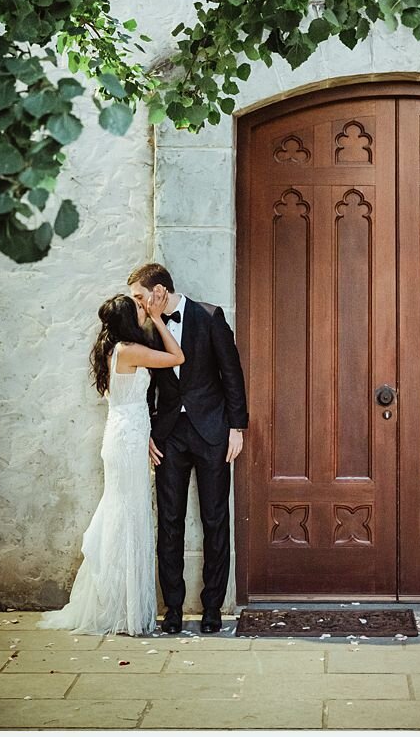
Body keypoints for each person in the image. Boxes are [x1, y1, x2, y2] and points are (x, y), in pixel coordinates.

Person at [41, 294, 184, 636]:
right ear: (127, 318)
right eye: (138, 308)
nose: (143, 310)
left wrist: (145, 433)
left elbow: (127, 402)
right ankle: (122, 608)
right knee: (127, 514)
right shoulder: (129, 350)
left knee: (123, 512)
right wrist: (159, 318)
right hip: (126, 438)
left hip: (125, 434)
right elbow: (177, 356)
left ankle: (120, 603)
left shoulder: (112, 350)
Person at [128, 262, 248, 635]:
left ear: (159, 291)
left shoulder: (210, 316)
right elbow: (144, 385)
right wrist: (146, 429)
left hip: (212, 431)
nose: (137, 304)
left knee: (215, 520)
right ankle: (174, 608)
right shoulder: (146, 328)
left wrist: (237, 427)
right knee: (170, 521)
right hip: (168, 436)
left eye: (139, 296)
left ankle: (212, 606)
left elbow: (232, 373)